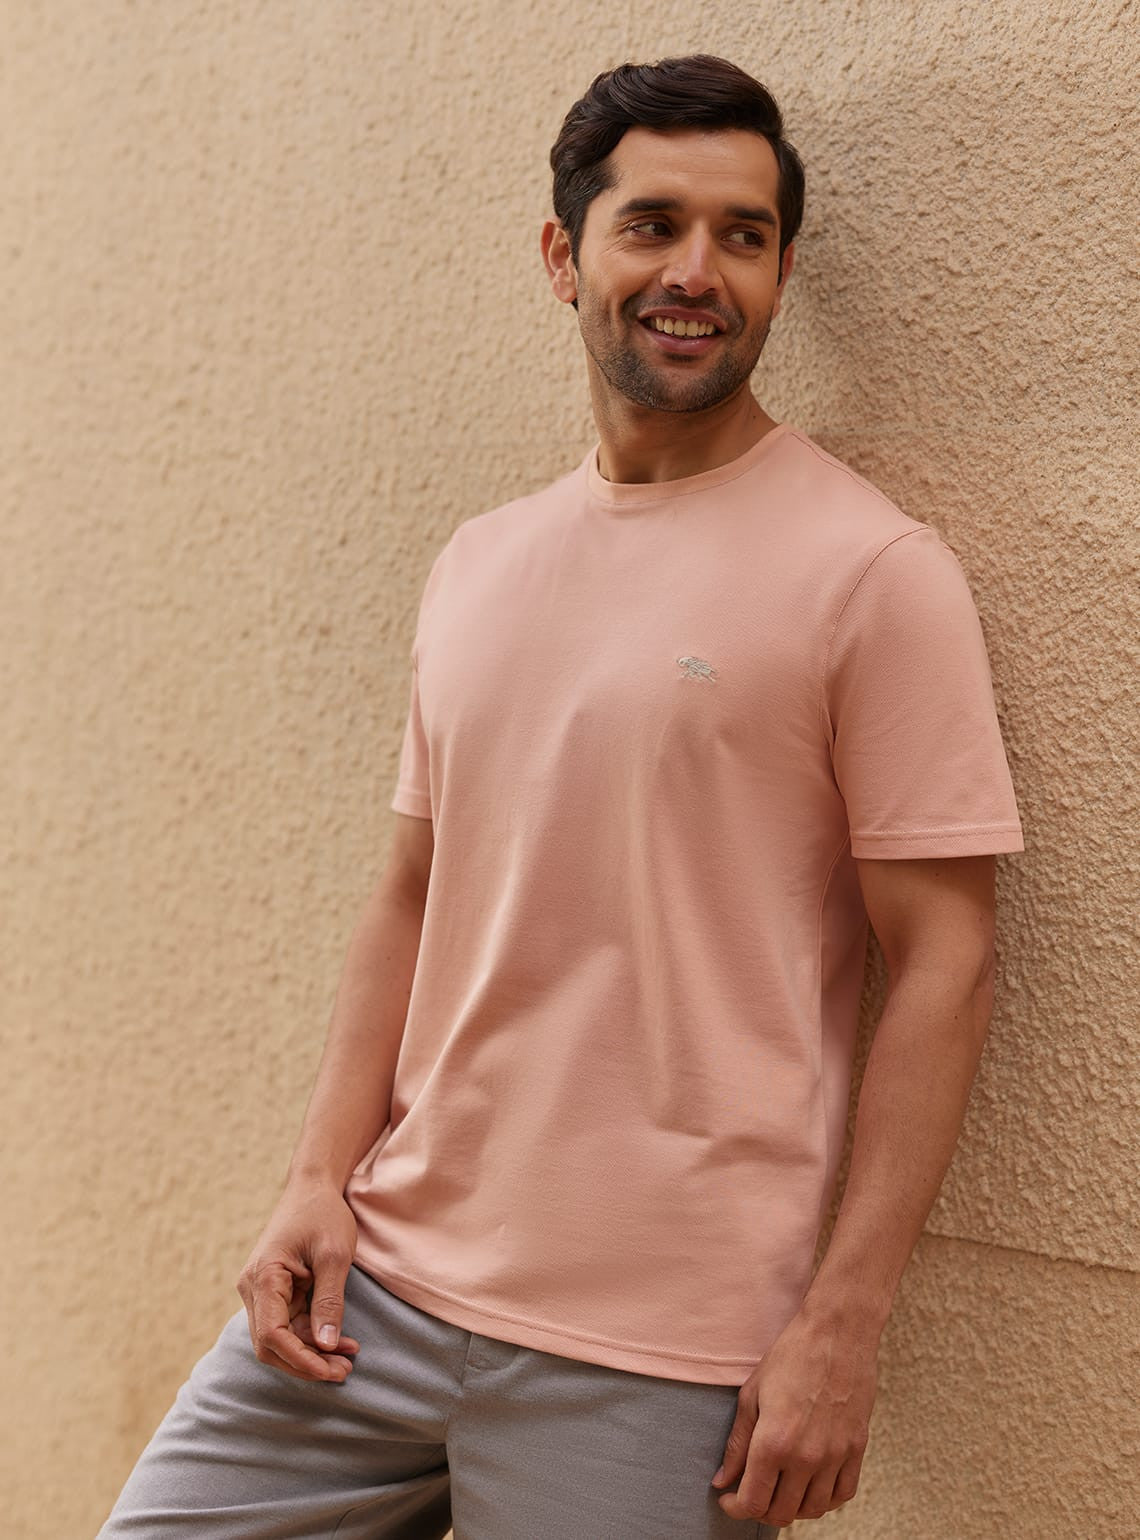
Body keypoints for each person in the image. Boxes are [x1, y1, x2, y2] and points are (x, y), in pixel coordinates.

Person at [98, 52, 1024, 1539]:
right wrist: (315, 1178)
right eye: (652, 224)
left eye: (743, 235)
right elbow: (411, 895)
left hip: (657, 1356)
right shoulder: (482, 561)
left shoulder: (873, 573)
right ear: (562, 254)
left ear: (782, 273)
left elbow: (945, 963)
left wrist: (843, 1323)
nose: (696, 272)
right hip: (373, 1292)